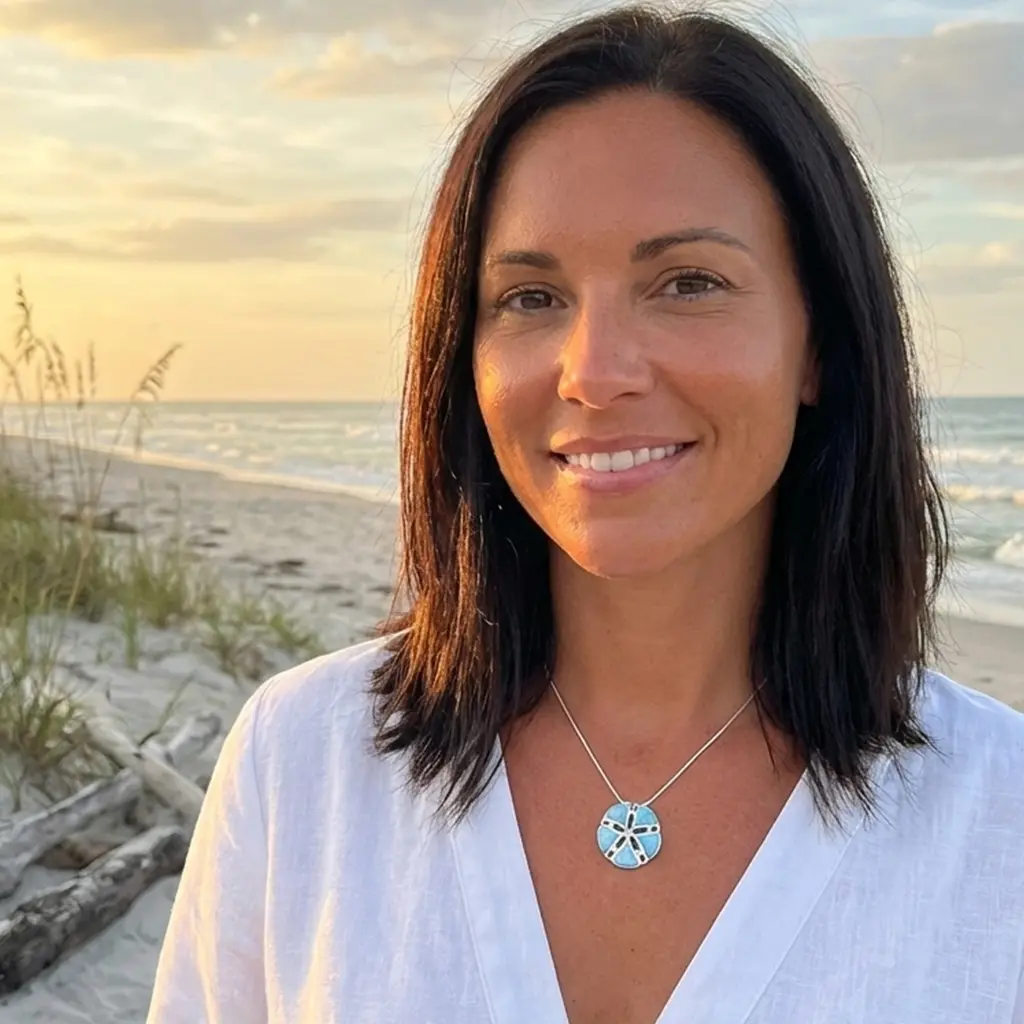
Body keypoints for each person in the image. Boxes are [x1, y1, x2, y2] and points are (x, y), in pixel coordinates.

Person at [147, 6, 1024, 1023]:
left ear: (818, 343)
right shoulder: (300, 766)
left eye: (687, 282)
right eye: (529, 297)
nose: (595, 371)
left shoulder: (996, 817)